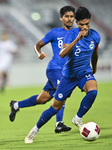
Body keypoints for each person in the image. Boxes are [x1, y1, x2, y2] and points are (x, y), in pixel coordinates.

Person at [24, 6, 100, 143]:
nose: (84, 27)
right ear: (77, 23)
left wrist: (94, 68)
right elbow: (62, 53)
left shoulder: (95, 36)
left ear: (90, 21)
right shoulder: (70, 35)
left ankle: (77, 118)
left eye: (86, 24)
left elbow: (95, 53)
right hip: (69, 76)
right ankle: (35, 129)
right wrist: (77, 39)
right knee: (55, 107)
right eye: (81, 24)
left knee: (93, 92)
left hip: (84, 73)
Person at [9, 6, 75, 133]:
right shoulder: (54, 32)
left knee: (42, 99)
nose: (69, 19)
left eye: (72, 16)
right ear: (61, 18)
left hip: (66, 72)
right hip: (54, 68)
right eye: (66, 16)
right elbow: (37, 45)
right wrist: (39, 53)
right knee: (62, 92)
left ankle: (16, 105)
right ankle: (59, 123)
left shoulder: (76, 34)